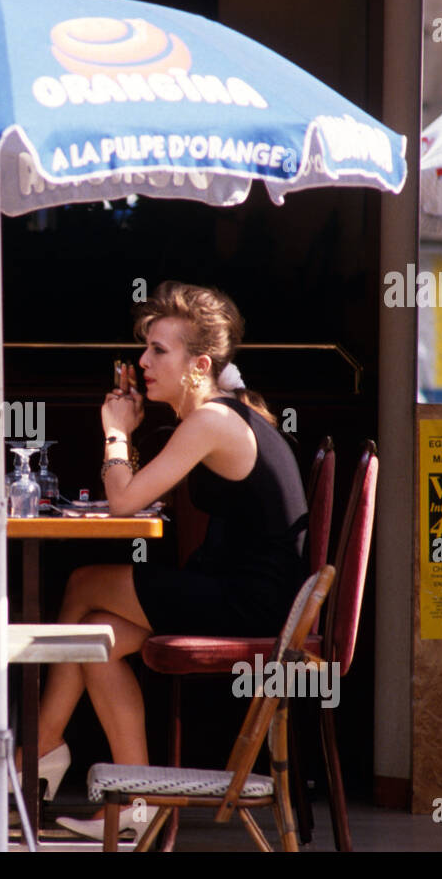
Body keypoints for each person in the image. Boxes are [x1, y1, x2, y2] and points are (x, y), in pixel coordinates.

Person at [43, 281, 308, 841]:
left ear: (200, 364)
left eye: (159, 350)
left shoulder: (210, 420)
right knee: (95, 633)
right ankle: (137, 801)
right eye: (145, 348)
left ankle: (39, 748)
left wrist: (115, 431)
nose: (142, 361)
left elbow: (122, 500)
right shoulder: (221, 414)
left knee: (85, 581)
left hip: (251, 607)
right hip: (240, 593)